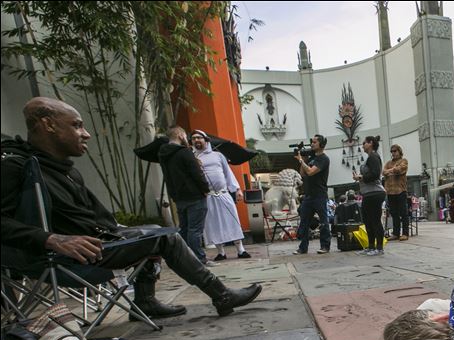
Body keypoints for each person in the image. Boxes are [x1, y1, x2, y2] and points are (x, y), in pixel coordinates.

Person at [1, 97, 261, 319]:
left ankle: (145, 302)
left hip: (93, 244)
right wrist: (51, 239)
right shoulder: (17, 167)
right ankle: (222, 295)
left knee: (151, 231)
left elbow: (94, 215)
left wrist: (121, 229)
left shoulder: (62, 169)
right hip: (59, 257)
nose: (86, 133)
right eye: (77, 126)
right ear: (48, 125)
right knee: (166, 237)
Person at [190, 130, 250, 261]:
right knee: (213, 224)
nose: (196, 140)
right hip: (207, 196)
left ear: (206, 140)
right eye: (193, 138)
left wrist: (237, 189)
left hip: (223, 194)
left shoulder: (218, 155)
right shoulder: (192, 157)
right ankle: (221, 252)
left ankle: (241, 250)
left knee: (232, 220)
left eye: (199, 138)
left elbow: (227, 173)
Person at [159, 126, 212, 265]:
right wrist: (205, 188)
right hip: (194, 195)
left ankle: (184, 258)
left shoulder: (163, 154)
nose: (186, 137)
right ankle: (199, 259)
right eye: (184, 134)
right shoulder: (184, 152)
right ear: (179, 135)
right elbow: (196, 174)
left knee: (184, 228)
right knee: (195, 230)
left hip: (179, 197)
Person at [293, 134, 332, 255]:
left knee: (324, 221)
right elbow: (303, 174)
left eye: (315, 142)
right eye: (312, 142)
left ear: (321, 144)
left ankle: (325, 246)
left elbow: (310, 172)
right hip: (309, 195)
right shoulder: (312, 158)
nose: (312, 144)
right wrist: (303, 160)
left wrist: (300, 160)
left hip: (319, 195)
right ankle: (303, 247)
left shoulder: (324, 159)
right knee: (304, 221)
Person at [352, 135, 386, 256]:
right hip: (368, 193)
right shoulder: (370, 157)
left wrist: (360, 177)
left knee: (375, 220)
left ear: (371, 143)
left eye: (364, 143)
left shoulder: (373, 156)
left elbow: (376, 174)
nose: (363, 145)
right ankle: (371, 246)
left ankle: (379, 247)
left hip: (375, 193)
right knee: (368, 221)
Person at [383, 144, 409, 241]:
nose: (393, 153)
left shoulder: (404, 161)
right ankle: (396, 234)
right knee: (394, 213)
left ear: (399, 151)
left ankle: (405, 233)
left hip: (400, 191)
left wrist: (390, 171)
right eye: (392, 151)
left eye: (395, 151)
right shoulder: (388, 163)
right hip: (390, 192)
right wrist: (392, 171)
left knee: (403, 213)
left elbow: (400, 170)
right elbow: (384, 172)